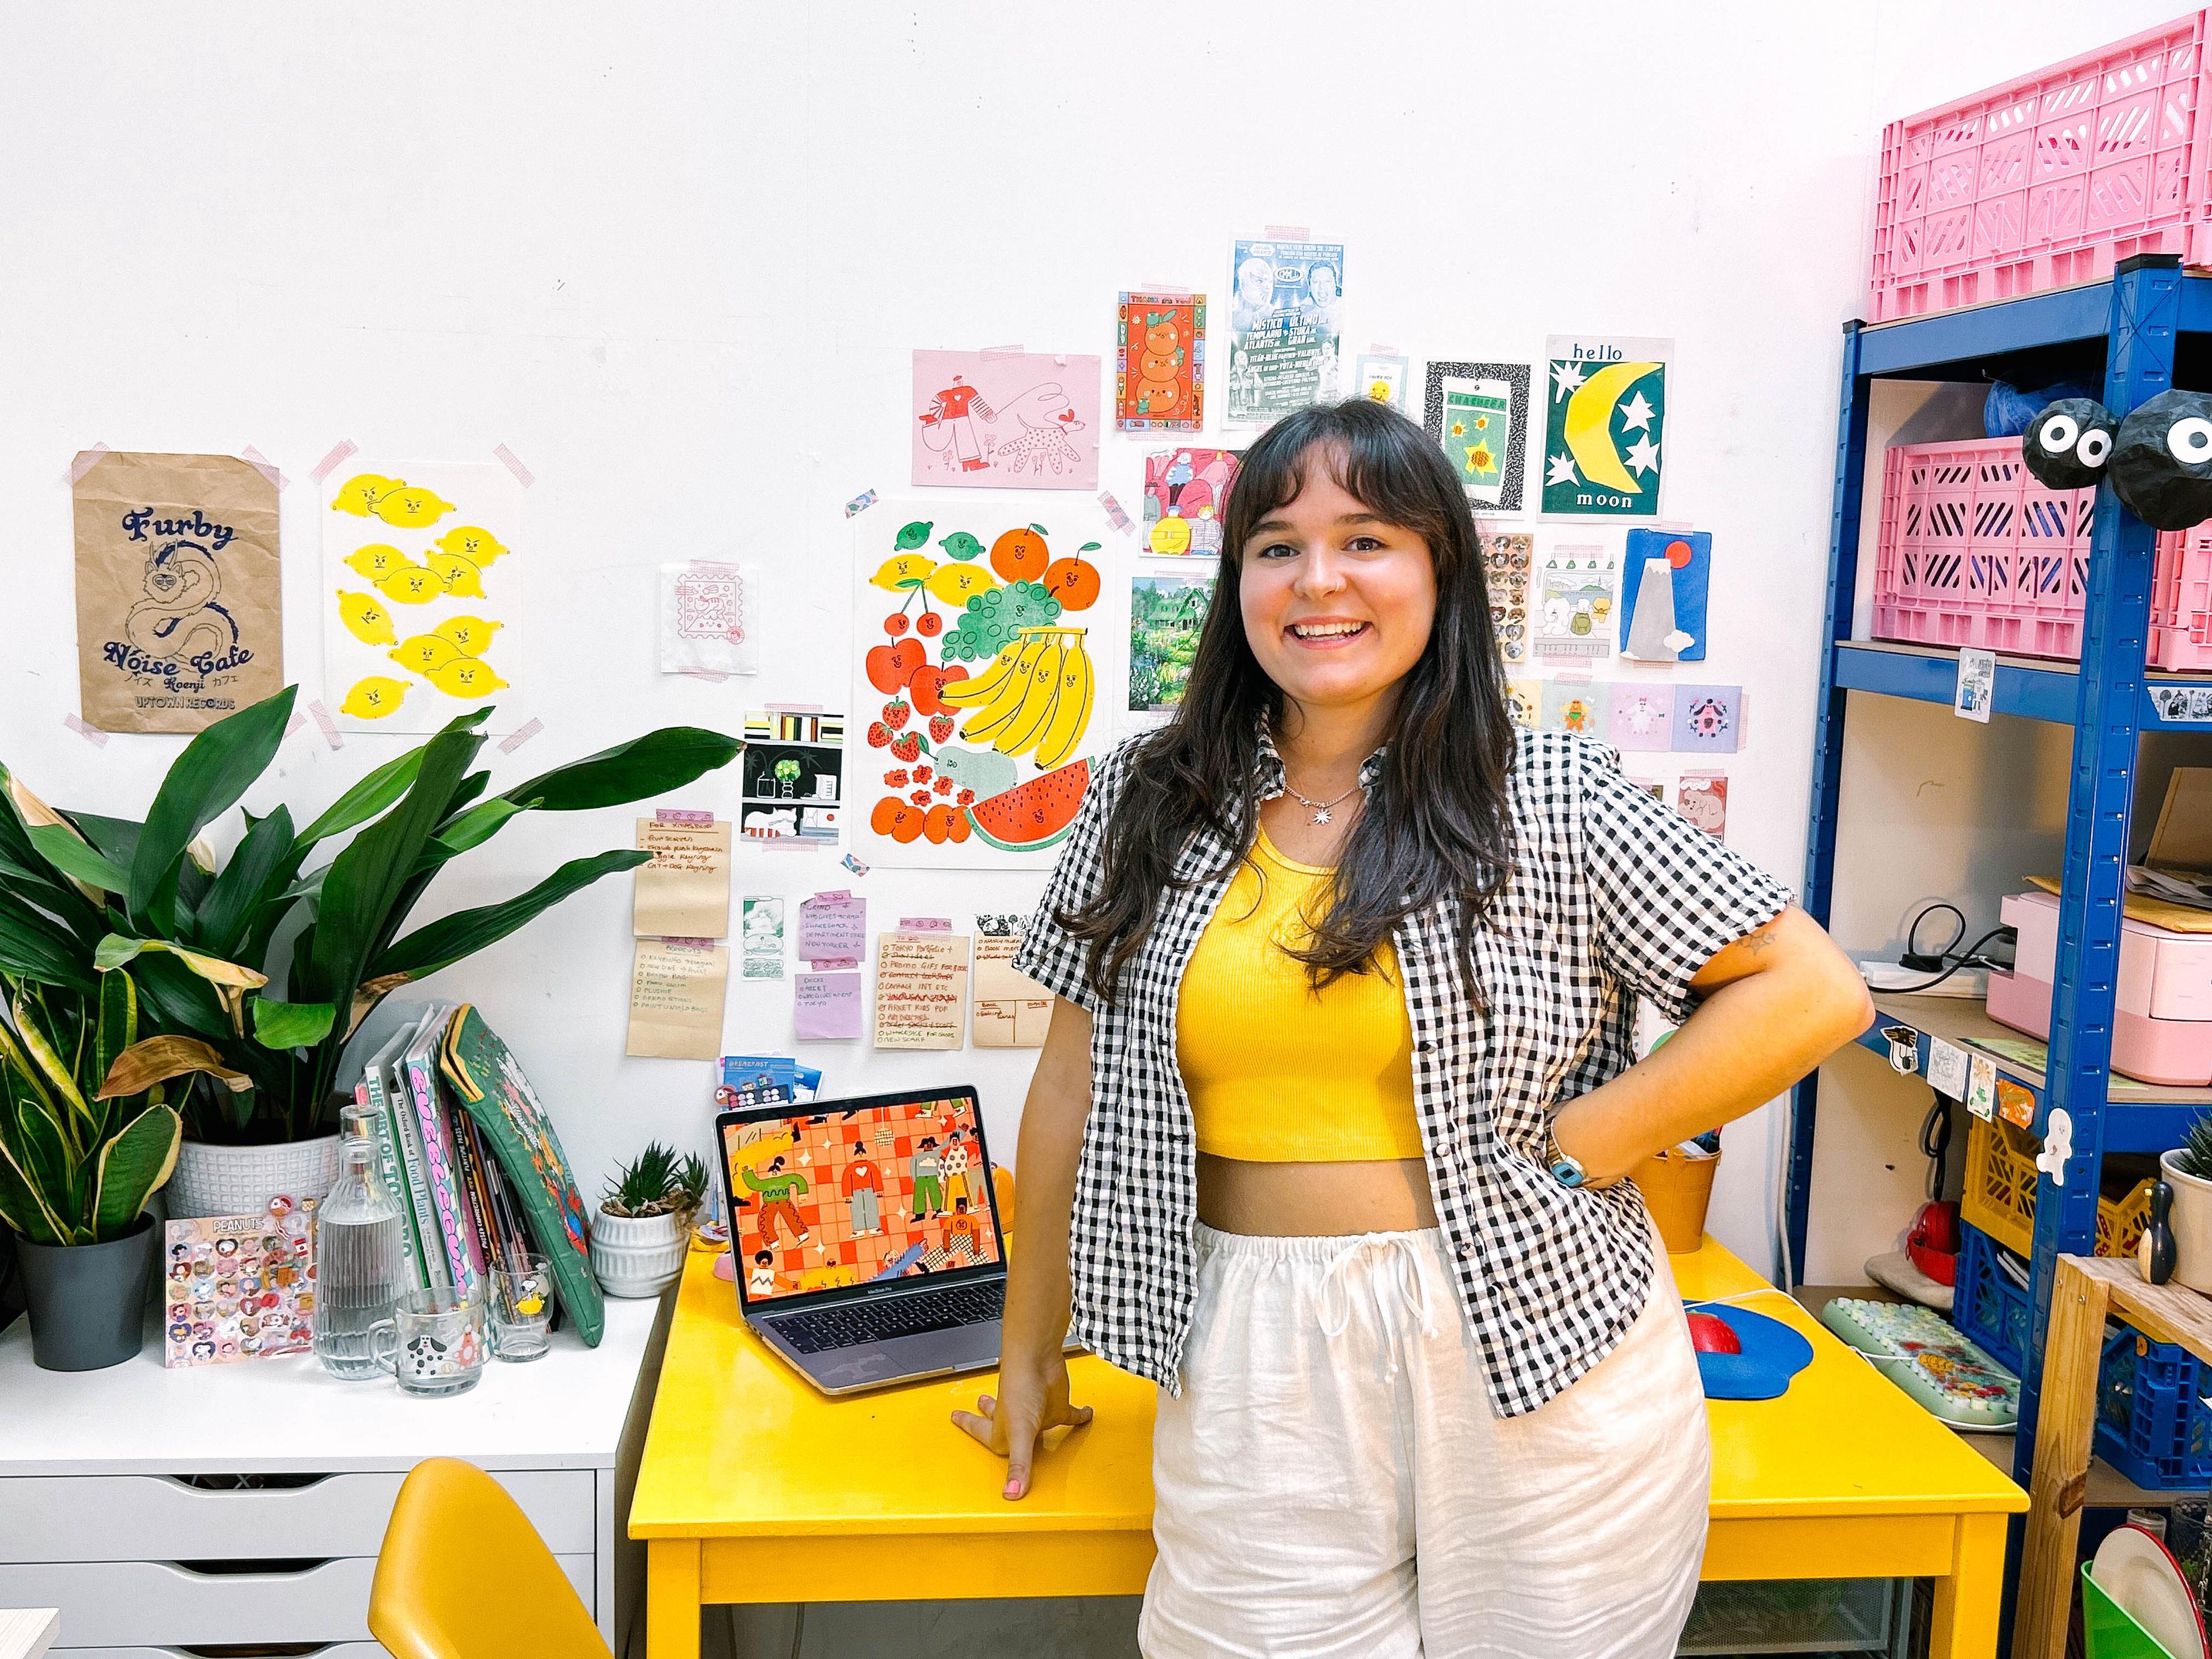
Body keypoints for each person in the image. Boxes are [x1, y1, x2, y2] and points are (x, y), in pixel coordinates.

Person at [952, 398, 1872, 1658]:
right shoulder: (1147, 793)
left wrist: (1588, 1144)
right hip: (1250, 1349)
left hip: (1540, 1335)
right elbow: (1065, 1086)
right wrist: (1028, 1344)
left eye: (1367, 539)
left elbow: (1813, 990)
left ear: (1440, 568)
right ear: (1236, 586)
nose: (1317, 579)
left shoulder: (1547, 792)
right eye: (1276, 546)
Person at [741, 1155, 810, 1247]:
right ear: (769, 1173)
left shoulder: (784, 1179)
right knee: (765, 1222)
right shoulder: (765, 1183)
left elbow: (797, 1179)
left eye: (776, 1171)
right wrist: (747, 1172)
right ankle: (773, 1243)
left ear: (779, 1172)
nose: (774, 1173)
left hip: (784, 1202)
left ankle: (803, 1235)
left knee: (792, 1218)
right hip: (770, 1204)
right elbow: (754, 1184)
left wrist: (802, 1193)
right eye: (772, 1171)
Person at [844, 1141, 883, 1237]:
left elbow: (876, 1177)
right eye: (858, 1154)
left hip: (869, 1191)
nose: (861, 1155)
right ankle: (859, 1230)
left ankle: (873, 1228)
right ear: (855, 1156)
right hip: (855, 1192)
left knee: (872, 1208)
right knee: (857, 1209)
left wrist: (878, 1190)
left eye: (862, 1153)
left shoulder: (871, 1166)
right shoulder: (850, 1168)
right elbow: (846, 1181)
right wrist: (847, 1195)